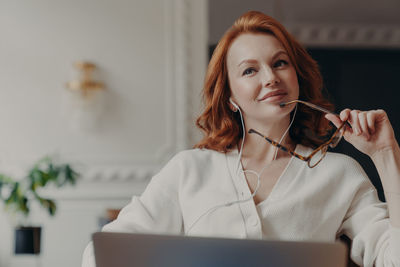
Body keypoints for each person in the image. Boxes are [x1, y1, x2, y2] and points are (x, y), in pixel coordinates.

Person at [82, 11, 400, 267]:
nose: (270, 77)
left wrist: (386, 155)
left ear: (296, 78)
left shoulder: (339, 173)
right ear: (231, 96)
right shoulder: (189, 170)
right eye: (249, 70)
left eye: (280, 63)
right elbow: (99, 257)